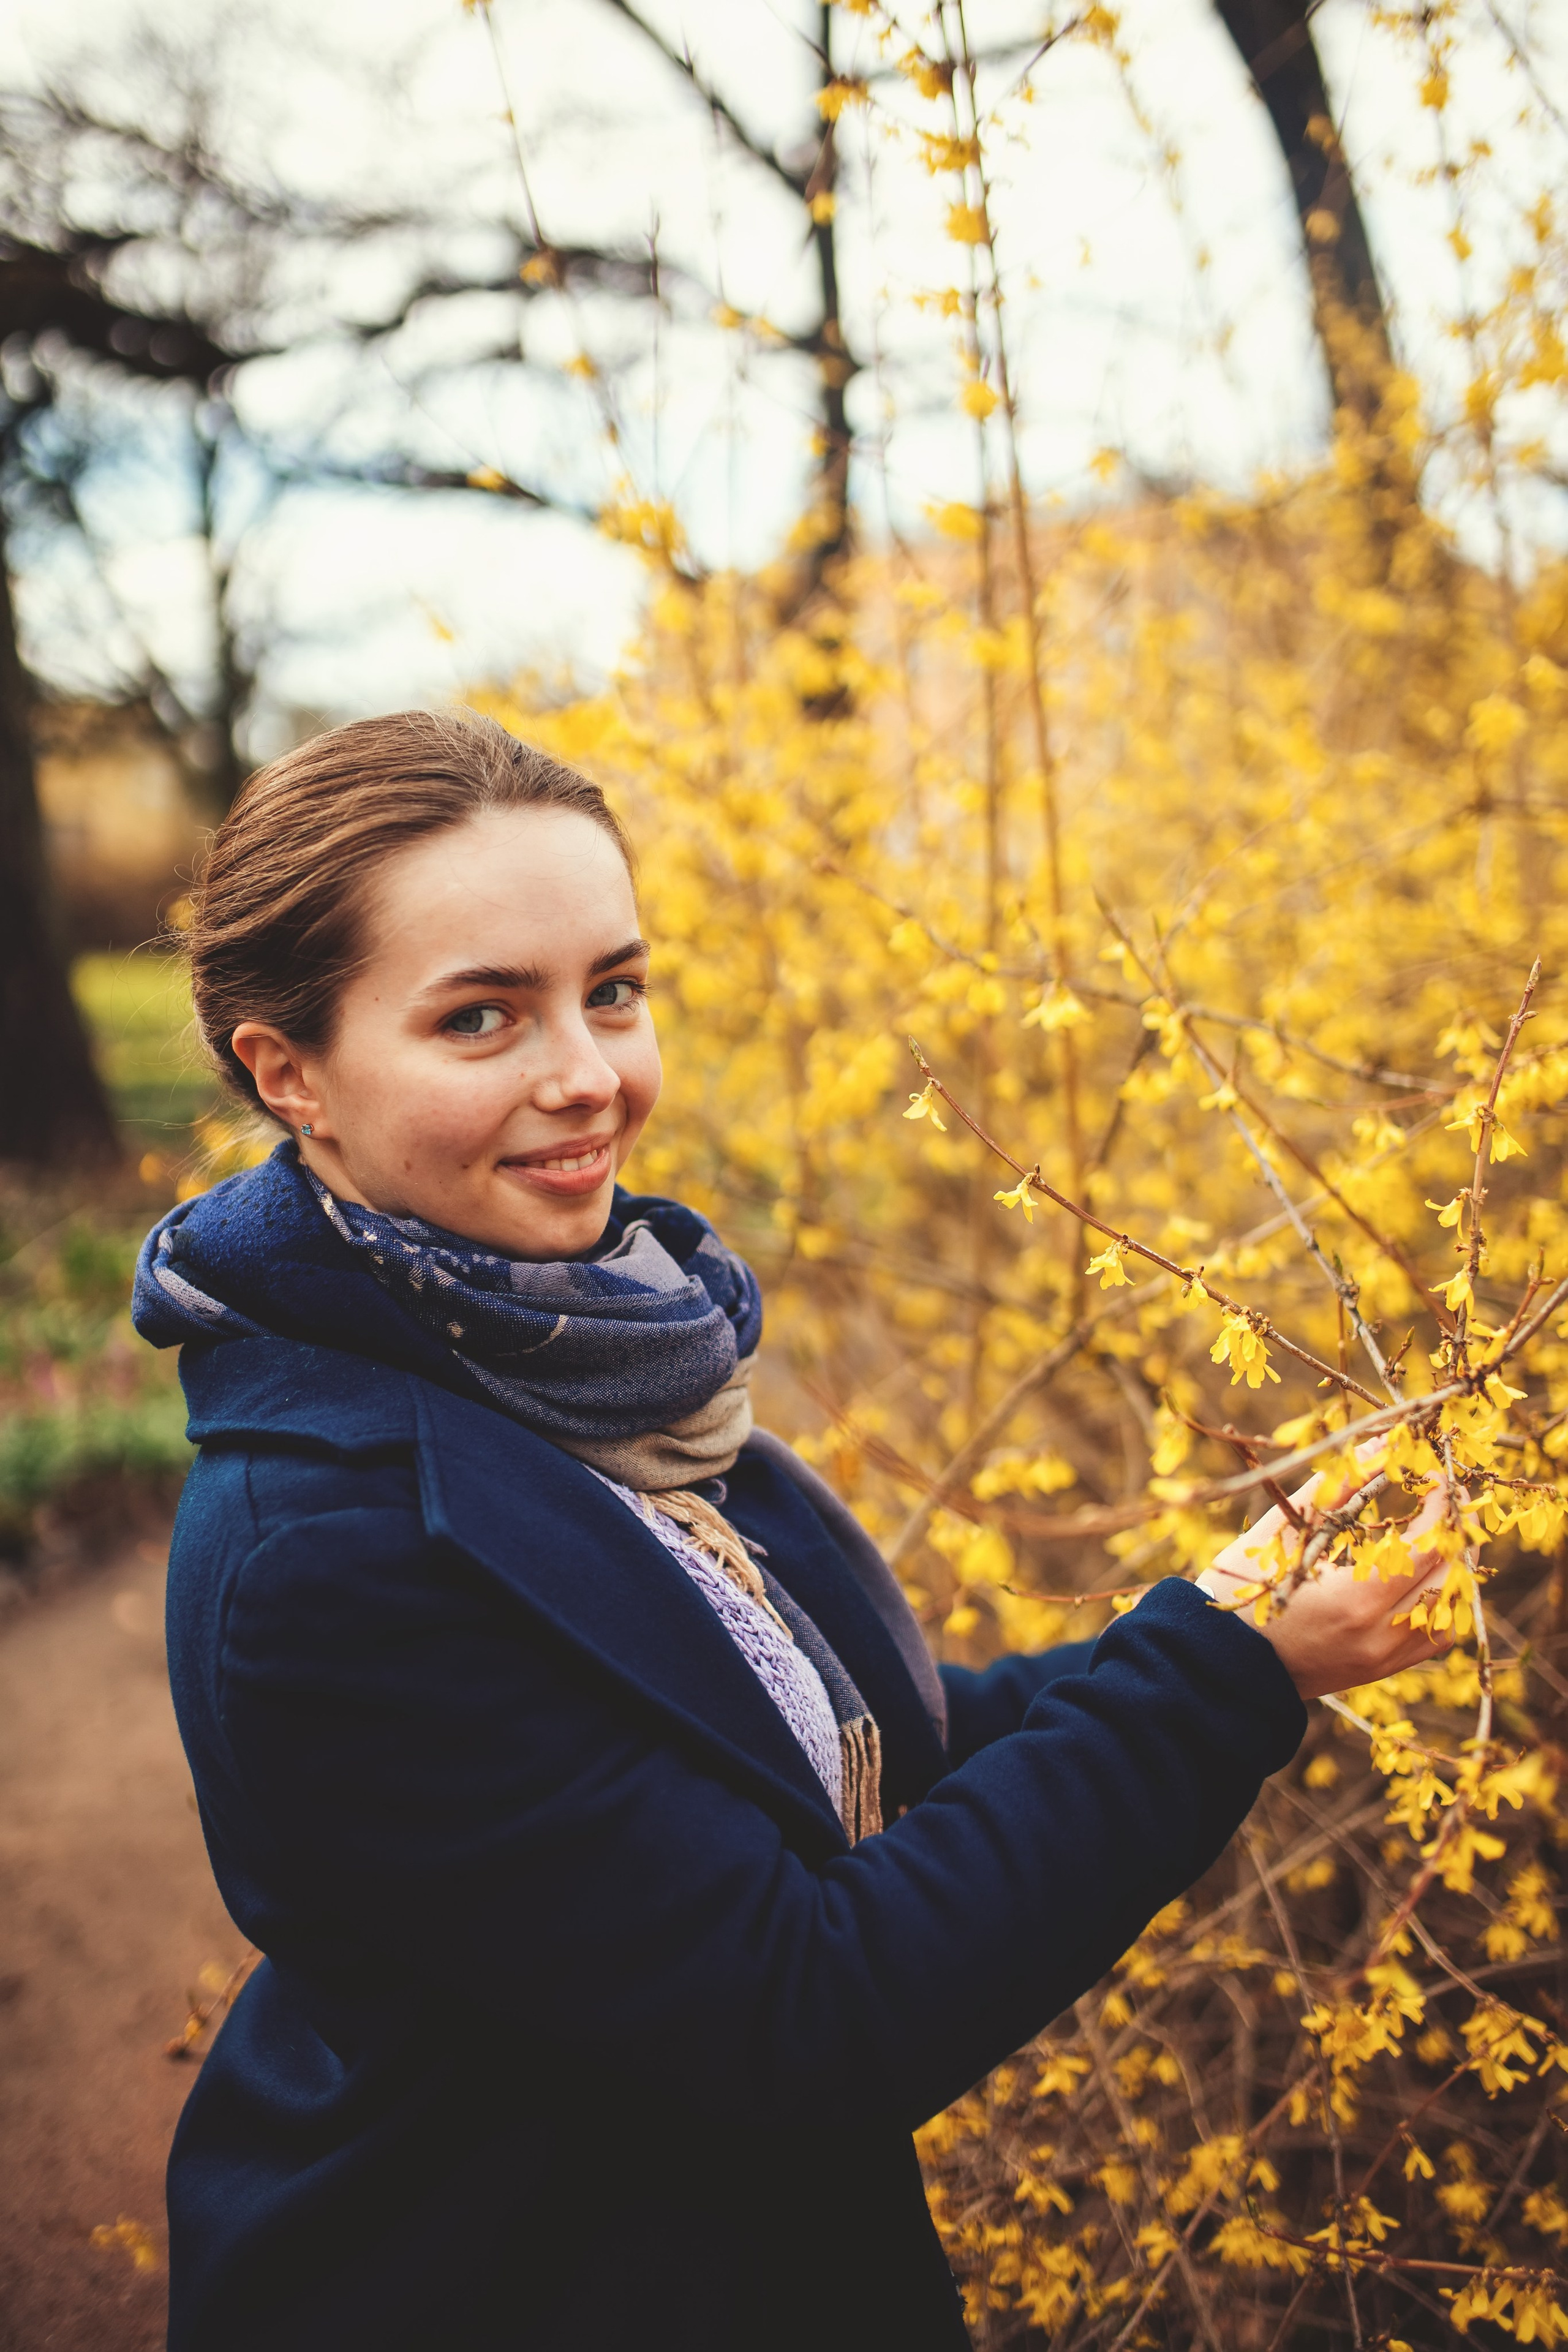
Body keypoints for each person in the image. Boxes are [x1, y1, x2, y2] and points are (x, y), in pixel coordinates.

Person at [133, 710, 1447, 2351]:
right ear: (290, 1072)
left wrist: (1236, 1624)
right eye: (482, 1017)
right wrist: (1212, 1687)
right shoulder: (332, 1560)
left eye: (612, 989)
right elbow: (813, 2006)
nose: (590, 1075)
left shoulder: (585, 1356)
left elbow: (836, 1755)